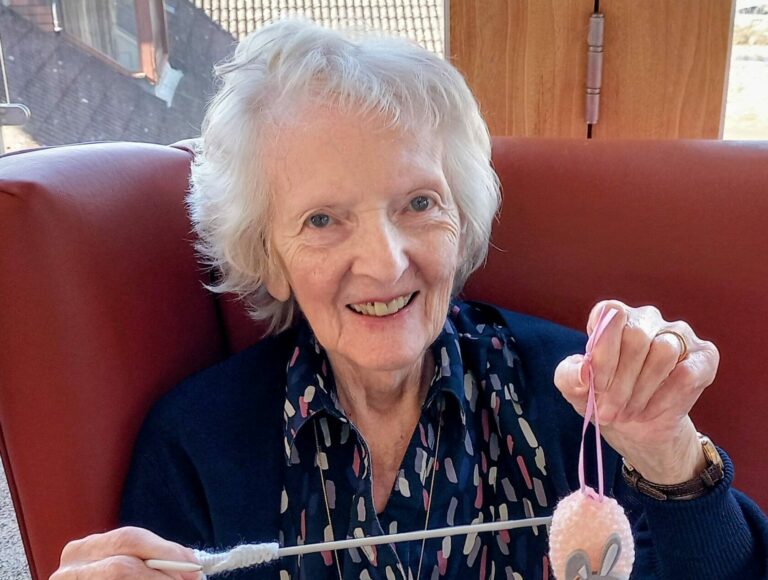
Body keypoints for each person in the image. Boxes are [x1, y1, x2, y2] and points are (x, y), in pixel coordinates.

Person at [52, 19, 767, 580]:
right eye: (324, 220)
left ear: (462, 220)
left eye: (419, 202)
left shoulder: (580, 392)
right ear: (269, 259)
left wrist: (667, 450)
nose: (386, 261)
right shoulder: (195, 444)